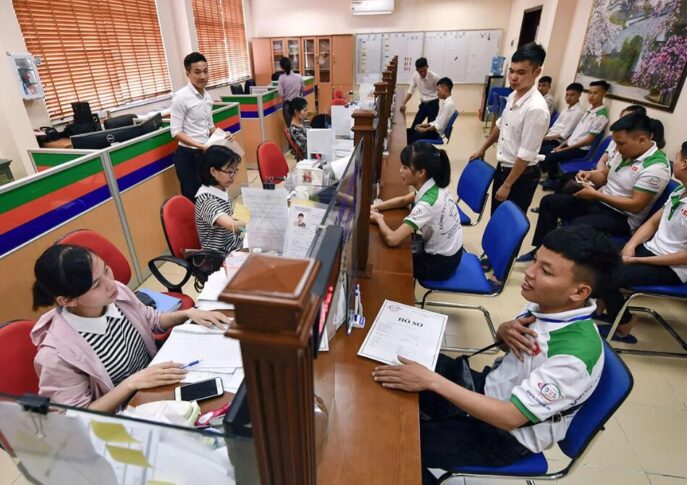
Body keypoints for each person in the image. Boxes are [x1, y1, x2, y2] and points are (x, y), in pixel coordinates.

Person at [371, 225, 619, 484]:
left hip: (503, 436)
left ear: (579, 292)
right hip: (489, 388)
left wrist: (432, 381)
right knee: (396, 360)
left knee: (397, 446)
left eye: (545, 271)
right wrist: (503, 332)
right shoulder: (548, 305)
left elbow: (510, 417)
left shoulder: (573, 357)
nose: (530, 272)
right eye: (535, 260)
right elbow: (517, 354)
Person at [31, 244, 232, 412]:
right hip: (127, 413)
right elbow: (74, 418)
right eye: (96, 285)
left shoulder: (117, 295)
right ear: (68, 301)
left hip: (154, 386)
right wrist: (131, 384)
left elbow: (149, 319)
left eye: (106, 270)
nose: (111, 284)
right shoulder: (56, 356)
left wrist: (187, 314)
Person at [519, 113, 671, 262]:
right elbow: (604, 175)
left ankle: (558, 261)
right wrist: (590, 175)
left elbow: (635, 205)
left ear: (642, 140)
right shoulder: (625, 152)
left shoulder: (656, 167)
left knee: (577, 226)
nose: (617, 149)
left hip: (621, 217)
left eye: (621, 143)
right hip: (600, 201)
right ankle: (541, 248)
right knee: (550, 202)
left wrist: (597, 195)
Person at [599, 141, 687, 344]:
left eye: (677, 157)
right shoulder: (679, 191)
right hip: (649, 250)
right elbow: (653, 223)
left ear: (684, 164)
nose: (674, 161)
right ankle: (603, 306)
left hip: (672, 267)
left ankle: (624, 325)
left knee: (607, 276)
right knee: (597, 257)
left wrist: (638, 260)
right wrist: (631, 245)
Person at [469, 42, 550, 218]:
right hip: (504, 168)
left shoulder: (536, 109)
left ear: (537, 72)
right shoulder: (514, 95)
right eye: (511, 71)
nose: (513, 77)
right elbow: (501, 125)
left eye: (521, 73)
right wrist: (482, 149)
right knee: (496, 217)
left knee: (507, 223)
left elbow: (525, 155)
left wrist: (507, 185)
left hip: (520, 176)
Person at [370, 142, 463, 281]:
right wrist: (374, 207)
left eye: (405, 167)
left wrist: (379, 219)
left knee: (389, 261)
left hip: (442, 263)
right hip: (454, 251)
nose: (400, 170)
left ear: (421, 172)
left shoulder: (427, 204)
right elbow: (404, 200)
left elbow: (392, 239)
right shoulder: (434, 184)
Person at [170, 52, 233, 202]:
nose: (203, 76)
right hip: (188, 156)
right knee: (195, 199)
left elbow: (210, 127)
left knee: (210, 195)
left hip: (205, 152)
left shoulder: (207, 97)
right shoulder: (181, 97)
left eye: (205, 71)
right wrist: (201, 146)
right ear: (188, 73)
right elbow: (176, 132)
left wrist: (224, 135)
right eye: (197, 72)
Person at [541, 80, 610, 190]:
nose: (591, 96)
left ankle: (554, 181)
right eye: (590, 93)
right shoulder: (590, 110)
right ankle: (553, 179)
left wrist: (565, 149)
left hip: (580, 149)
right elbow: (576, 133)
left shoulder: (601, 116)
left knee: (550, 156)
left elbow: (589, 140)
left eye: (595, 93)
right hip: (571, 145)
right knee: (550, 152)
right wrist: (562, 145)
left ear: (604, 94)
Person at [195, 145, 245, 255]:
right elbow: (232, 225)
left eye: (235, 171)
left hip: (233, 244)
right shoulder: (206, 200)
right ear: (213, 171)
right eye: (230, 171)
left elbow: (234, 214)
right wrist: (255, 219)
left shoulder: (221, 189)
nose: (233, 176)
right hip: (218, 256)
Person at [539, 82, 585, 156]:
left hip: (557, 142)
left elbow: (564, 135)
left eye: (572, 95)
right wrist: (544, 135)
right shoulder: (565, 109)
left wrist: (544, 138)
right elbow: (554, 126)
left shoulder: (578, 112)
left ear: (579, 95)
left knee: (536, 148)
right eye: (567, 94)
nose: (568, 98)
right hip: (549, 137)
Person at [408, 77, 457, 144]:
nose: (437, 93)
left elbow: (439, 126)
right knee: (410, 131)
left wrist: (424, 130)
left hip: (436, 134)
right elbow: (437, 121)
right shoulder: (446, 103)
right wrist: (424, 125)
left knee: (409, 137)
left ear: (445, 89)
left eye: (438, 90)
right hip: (434, 131)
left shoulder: (448, 105)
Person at [400, 58, 441, 131]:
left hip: (433, 105)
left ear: (427, 67)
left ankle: (428, 138)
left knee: (431, 131)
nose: (422, 73)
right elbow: (411, 90)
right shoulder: (415, 75)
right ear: (416, 70)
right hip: (423, 105)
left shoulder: (435, 77)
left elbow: (441, 92)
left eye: (424, 70)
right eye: (420, 71)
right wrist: (403, 103)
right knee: (414, 127)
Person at [278, 57, 305, 127]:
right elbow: (303, 90)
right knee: (299, 125)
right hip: (298, 105)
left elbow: (281, 94)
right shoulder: (299, 77)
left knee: (290, 127)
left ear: (281, 67)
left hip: (287, 105)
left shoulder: (281, 78)